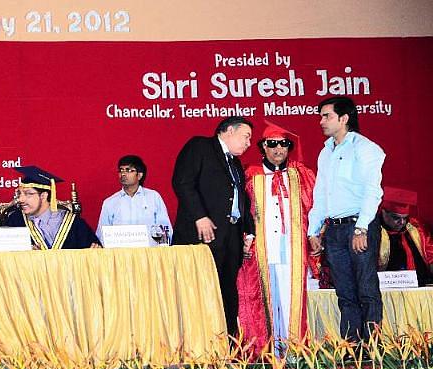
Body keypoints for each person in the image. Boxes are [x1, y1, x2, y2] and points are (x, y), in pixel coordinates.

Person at [307, 96, 385, 343]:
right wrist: (313, 230)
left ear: (344, 118)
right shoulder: (325, 152)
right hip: (334, 230)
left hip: (359, 226)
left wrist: (362, 228)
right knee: (345, 293)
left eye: (326, 116)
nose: (321, 121)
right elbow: (321, 193)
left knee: (366, 290)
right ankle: (352, 348)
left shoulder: (365, 148)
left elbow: (373, 191)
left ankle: (374, 349)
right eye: (321, 116)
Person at [236, 121, 317, 355]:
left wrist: (315, 235)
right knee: (265, 297)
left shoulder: (301, 175)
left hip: (292, 247)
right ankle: (265, 351)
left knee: (291, 296)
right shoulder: (250, 175)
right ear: (263, 147)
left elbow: (314, 207)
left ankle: (294, 351)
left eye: (283, 144)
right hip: (262, 248)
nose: (278, 149)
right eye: (272, 144)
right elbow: (241, 212)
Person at [171, 116, 255, 336]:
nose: (248, 143)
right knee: (199, 290)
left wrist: (249, 233)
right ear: (229, 131)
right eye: (246, 137)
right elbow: (183, 182)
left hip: (230, 237)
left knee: (227, 291)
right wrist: (200, 216)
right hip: (202, 235)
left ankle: (229, 342)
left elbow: (241, 198)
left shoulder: (235, 163)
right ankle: (199, 342)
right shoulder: (200, 146)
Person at [1, 166, 100, 249]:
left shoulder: (74, 223)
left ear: (44, 196)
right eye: (19, 194)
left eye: (28, 194)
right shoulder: (15, 221)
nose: (21, 199)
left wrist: (95, 251)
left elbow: (94, 252)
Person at [96, 155, 172, 244]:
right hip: (120, 251)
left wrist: (161, 250)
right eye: (121, 170)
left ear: (139, 175)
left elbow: (165, 228)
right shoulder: (110, 202)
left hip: (148, 251)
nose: (123, 174)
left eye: (128, 170)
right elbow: (102, 235)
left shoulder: (153, 197)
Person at [378, 187, 433, 286]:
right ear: (383, 212)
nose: (402, 222)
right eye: (396, 218)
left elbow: (430, 255)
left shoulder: (416, 228)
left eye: (405, 218)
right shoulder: (373, 231)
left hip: (420, 287)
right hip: (386, 288)